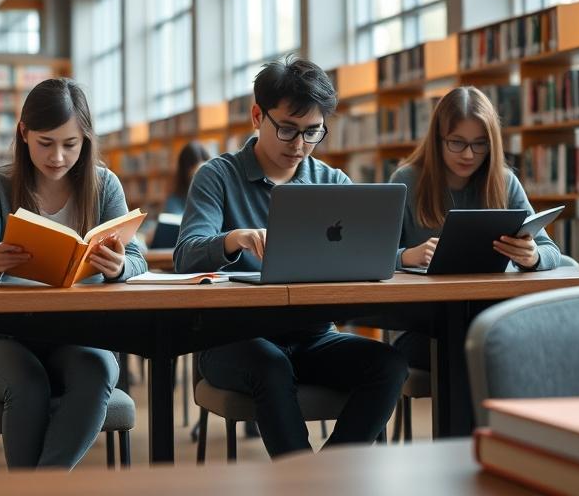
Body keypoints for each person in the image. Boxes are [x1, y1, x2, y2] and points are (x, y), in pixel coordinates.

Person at [174, 55, 407, 458]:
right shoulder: (217, 175)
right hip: (232, 340)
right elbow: (185, 256)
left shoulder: (332, 181)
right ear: (256, 116)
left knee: (389, 366)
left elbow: (364, 255)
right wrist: (234, 239)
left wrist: (400, 255)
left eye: (313, 132)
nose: (300, 145)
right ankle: (303, 481)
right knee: (270, 365)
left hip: (314, 337)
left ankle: (324, 477)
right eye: (287, 129)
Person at [0, 78, 147, 469]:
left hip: (80, 334)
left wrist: (121, 266)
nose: (58, 157)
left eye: (70, 144)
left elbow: (136, 257)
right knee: (27, 385)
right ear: (24, 133)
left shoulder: (103, 184)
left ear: (86, 140)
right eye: (46, 143)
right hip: (0, 336)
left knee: (96, 372)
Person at [388, 86, 562, 369]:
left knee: (502, 343)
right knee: (477, 350)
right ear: (437, 140)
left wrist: (533, 257)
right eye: (457, 142)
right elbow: (371, 258)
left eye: (479, 144)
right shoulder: (407, 179)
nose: (468, 154)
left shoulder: (504, 182)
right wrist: (405, 256)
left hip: (491, 318)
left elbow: (551, 251)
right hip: (424, 329)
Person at [165, 142, 212, 215]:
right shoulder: (174, 201)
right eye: (195, 175)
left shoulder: (216, 194)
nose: (201, 181)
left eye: (205, 175)